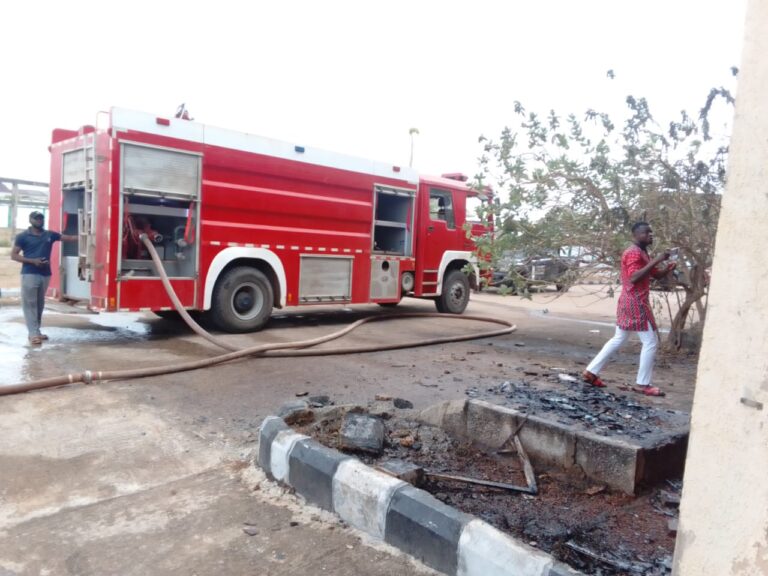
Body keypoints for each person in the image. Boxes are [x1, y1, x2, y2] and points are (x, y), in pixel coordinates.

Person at [582, 222, 676, 397]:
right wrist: (657, 260)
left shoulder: (642, 253)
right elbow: (634, 277)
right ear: (635, 235)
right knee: (650, 342)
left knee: (619, 338)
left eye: (651, 232)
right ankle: (643, 384)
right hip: (635, 302)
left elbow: (654, 274)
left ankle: (591, 372)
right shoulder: (633, 252)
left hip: (629, 301)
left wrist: (667, 269)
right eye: (646, 232)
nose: (651, 235)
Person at [11, 211, 76, 345]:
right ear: (30, 220)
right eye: (36, 219)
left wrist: (91, 235)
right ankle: (33, 334)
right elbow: (14, 255)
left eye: (41, 218)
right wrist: (32, 261)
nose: (39, 221)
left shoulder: (49, 235)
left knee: (39, 305)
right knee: (30, 305)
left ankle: (37, 331)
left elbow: (68, 238)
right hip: (29, 273)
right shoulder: (22, 236)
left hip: (45, 274)